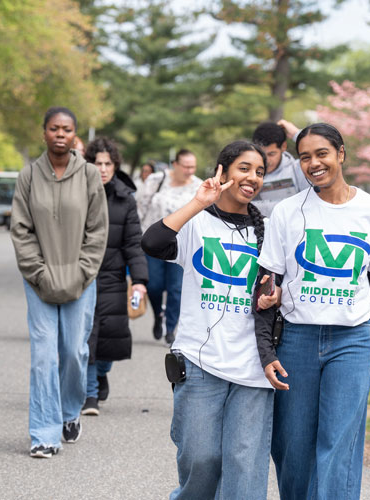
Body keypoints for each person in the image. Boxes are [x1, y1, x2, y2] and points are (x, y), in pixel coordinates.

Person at [255, 123, 370, 499]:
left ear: (340, 154)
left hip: (353, 341)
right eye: (305, 157)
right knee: (292, 444)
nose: (314, 164)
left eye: (322, 154)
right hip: (297, 340)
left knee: (339, 443)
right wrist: (267, 348)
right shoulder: (286, 213)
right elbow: (268, 284)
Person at [141, 141, 274, 500]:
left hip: (253, 369)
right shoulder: (197, 223)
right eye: (244, 168)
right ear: (223, 171)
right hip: (200, 362)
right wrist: (199, 202)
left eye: (260, 172)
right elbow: (152, 243)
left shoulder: (269, 230)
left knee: (245, 465)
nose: (252, 178)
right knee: (201, 460)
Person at [10, 107, 108, 458]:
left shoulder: (90, 175)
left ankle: (69, 411)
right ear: (45, 133)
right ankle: (44, 434)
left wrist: (83, 270)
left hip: (80, 278)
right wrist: (37, 271)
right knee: (42, 357)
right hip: (39, 279)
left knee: (73, 352)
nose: (60, 134)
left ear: (75, 134)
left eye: (67, 129)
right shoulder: (28, 176)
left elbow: (98, 228)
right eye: (54, 128)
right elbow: (20, 229)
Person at [81, 137, 148, 416]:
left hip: (113, 276)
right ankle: (90, 396)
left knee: (109, 336)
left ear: (115, 165)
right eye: (98, 163)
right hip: (82, 275)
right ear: (89, 165)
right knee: (86, 337)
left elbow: (133, 242)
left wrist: (141, 281)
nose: (103, 169)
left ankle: (101, 373)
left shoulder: (125, 198)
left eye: (108, 163)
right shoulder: (77, 193)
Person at [137, 149, 202, 345]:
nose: (190, 171)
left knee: (176, 289)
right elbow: (141, 206)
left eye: (193, 167)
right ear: (175, 164)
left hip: (182, 244)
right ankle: (158, 315)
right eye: (186, 166)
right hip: (154, 242)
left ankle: (171, 328)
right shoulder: (156, 180)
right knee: (154, 285)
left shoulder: (198, 186)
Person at [251, 121, 309, 216]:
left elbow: (323, 148)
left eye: (271, 154)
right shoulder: (247, 174)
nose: (267, 160)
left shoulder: (298, 169)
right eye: (262, 154)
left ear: (283, 147)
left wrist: (298, 134)